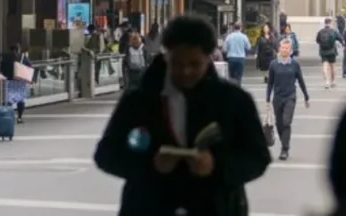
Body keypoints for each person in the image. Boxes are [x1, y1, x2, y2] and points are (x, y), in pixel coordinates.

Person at [93, 14, 270, 216]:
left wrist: (217, 166)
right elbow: (106, 154)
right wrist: (150, 165)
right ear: (167, 54)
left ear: (209, 56)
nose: (186, 71)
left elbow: (258, 157)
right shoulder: (139, 100)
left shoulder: (234, 101)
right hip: (149, 206)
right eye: (177, 63)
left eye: (195, 64)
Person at [266, 36, 310, 161]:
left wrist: (306, 97)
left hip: (290, 96)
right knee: (279, 123)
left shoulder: (295, 64)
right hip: (278, 97)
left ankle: (285, 149)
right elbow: (270, 83)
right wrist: (267, 99)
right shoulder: (274, 64)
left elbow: (301, 80)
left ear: (290, 50)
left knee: (286, 122)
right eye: (283, 48)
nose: (285, 50)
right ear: (279, 49)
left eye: (287, 48)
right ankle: (284, 142)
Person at [1, 43, 32, 123]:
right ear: (18, 49)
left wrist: (6, 75)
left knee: (9, 99)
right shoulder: (22, 56)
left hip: (10, 80)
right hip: (20, 81)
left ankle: (8, 117)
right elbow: (30, 65)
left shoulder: (6, 57)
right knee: (20, 99)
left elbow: (2, 67)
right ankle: (19, 117)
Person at [319, 18, 345, 89]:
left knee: (324, 66)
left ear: (325, 23)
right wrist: (343, 44)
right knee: (332, 66)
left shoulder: (321, 31)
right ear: (330, 23)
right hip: (332, 51)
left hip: (323, 51)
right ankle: (333, 81)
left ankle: (326, 81)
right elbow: (340, 39)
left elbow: (318, 40)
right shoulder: (333, 31)